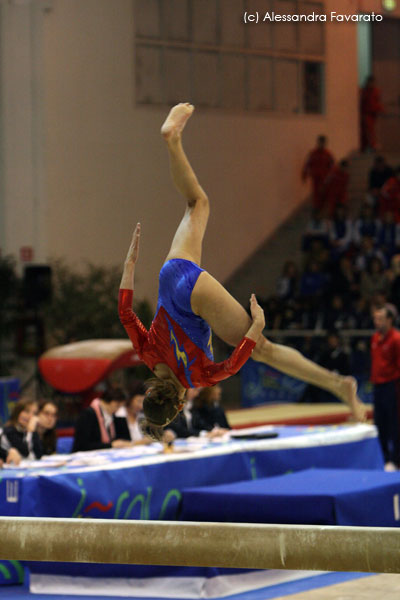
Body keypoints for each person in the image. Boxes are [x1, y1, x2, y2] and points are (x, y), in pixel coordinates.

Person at [119, 103, 366, 438]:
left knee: (262, 349)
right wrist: (130, 265)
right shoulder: (147, 355)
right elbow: (125, 313)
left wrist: (257, 328)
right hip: (171, 275)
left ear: (179, 406)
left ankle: (338, 385)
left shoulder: (199, 378)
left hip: (192, 296)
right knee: (197, 203)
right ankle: (172, 141)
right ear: (148, 391)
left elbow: (234, 363)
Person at [371, 305, 400, 470]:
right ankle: (383, 457)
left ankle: (395, 460)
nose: (377, 322)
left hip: (392, 385)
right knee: (379, 423)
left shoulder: (396, 339)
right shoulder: (374, 338)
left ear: (390, 320)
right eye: (375, 318)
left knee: (394, 423)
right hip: (378, 385)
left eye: (380, 318)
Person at [72, 385, 132, 452]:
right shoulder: (88, 415)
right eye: (117, 406)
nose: (118, 410)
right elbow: (82, 446)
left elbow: (125, 438)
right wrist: (111, 445)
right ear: (110, 401)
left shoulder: (112, 415)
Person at [302, 135, 335, 210]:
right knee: (316, 194)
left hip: (325, 178)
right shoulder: (313, 153)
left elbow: (332, 166)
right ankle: (316, 208)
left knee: (324, 194)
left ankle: (323, 209)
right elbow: (307, 164)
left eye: (323, 143)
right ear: (318, 143)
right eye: (320, 142)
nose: (321, 144)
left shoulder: (328, 154)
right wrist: (304, 174)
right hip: (316, 178)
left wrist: (330, 177)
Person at [115, 380, 152, 445]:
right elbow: (117, 442)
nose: (141, 406)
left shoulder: (142, 415)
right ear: (130, 398)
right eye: (139, 401)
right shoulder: (118, 415)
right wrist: (137, 443)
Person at [360, 76, 384, 152]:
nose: (371, 84)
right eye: (370, 82)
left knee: (371, 130)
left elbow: (377, 102)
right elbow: (362, 103)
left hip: (373, 113)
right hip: (366, 113)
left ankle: (372, 146)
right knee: (368, 130)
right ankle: (369, 146)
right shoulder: (364, 91)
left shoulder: (375, 91)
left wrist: (381, 110)